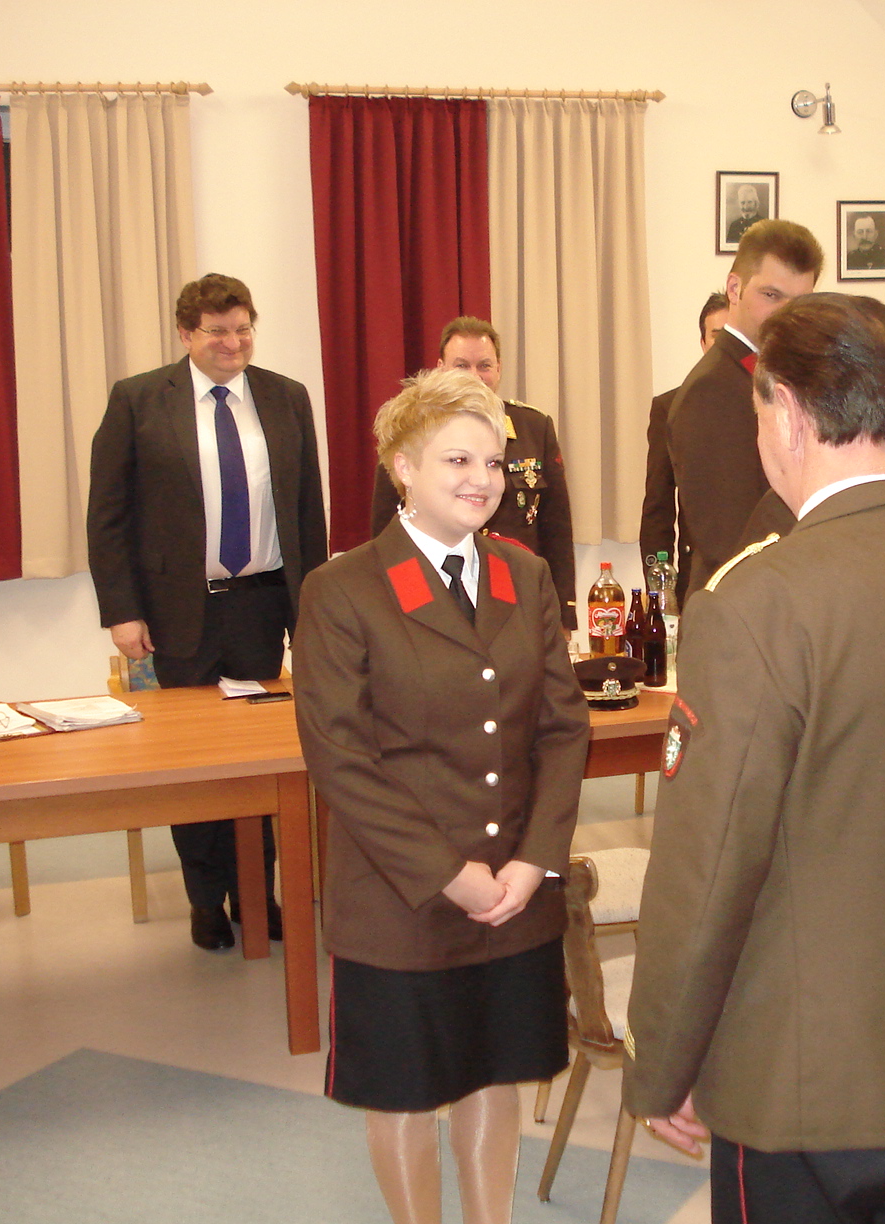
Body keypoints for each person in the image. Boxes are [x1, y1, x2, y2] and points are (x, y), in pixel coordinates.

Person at [625, 293, 885, 1224]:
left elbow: (707, 871)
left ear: (788, 411)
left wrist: (663, 1063)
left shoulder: (754, 602)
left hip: (794, 1081)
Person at [293, 367, 589, 1224]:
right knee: (407, 1090)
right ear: (403, 469)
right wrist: (447, 874)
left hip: (513, 891)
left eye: (494, 464)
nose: (481, 480)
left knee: (496, 1074)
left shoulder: (524, 576)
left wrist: (535, 861)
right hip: (405, 896)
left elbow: (562, 729)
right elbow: (341, 758)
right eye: (457, 460)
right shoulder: (344, 589)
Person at [87, 273, 327, 952]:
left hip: (262, 606)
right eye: (218, 331)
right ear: (186, 333)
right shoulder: (138, 400)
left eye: (243, 328)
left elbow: (307, 510)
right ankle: (205, 900)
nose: (234, 342)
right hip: (179, 612)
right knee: (193, 766)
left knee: (261, 761)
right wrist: (122, 611)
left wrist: (315, 609)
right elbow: (108, 515)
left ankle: (257, 896)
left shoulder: (286, 397)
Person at [371, 317, 577, 631]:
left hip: (515, 591)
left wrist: (562, 613)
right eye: (461, 366)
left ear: (499, 369)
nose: (474, 376)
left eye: (484, 366)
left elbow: (556, 528)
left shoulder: (533, 427)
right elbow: (387, 523)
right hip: (430, 590)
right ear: (441, 368)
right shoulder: (412, 428)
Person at [667, 219, 823, 602]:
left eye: (799, 302)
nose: (786, 314)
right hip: (746, 607)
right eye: (771, 295)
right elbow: (730, 541)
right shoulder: (713, 388)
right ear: (734, 289)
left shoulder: (782, 376)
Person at [638, 291, 728, 588]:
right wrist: (660, 590)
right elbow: (657, 509)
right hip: (698, 576)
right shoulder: (672, 408)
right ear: (703, 344)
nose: (726, 346)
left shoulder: (773, 404)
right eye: (717, 336)